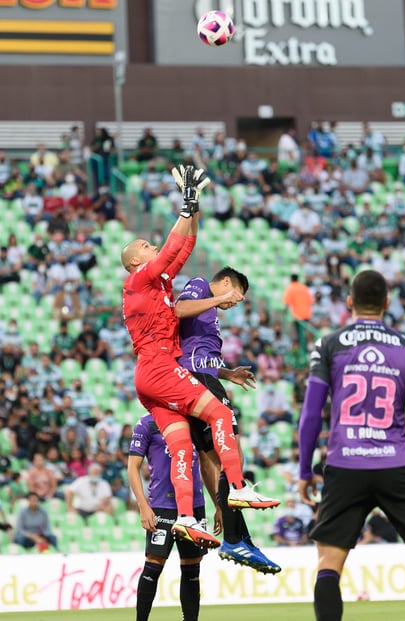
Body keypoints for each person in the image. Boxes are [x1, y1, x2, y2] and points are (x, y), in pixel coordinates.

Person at [122, 165, 279, 549]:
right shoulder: (140, 278)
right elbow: (168, 251)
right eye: (145, 245)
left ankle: (188, 518)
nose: (152, 246)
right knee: (221, 415)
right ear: (134, 262)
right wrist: (185, 205)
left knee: (181, 446)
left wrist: (193, 209)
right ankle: (239, 487)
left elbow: (184, 246)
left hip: (149, 377)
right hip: (160, 366)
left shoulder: (156, 282)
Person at [298, 270, 405, 621]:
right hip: (396, 463)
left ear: (349, 303)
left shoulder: (330, 344)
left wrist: (305, 470)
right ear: (388, 304)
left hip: (345, 464)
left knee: (328, 565)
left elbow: (310, 413)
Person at [176, 266, 281, 573]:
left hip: (201, 377)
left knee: (214, 458)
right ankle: (236, 536)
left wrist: (227, 373)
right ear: (225, 282)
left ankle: (236, 537)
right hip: (197, 380)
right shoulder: (199, 286)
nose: (236, 302)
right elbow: (179, 309)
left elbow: (193, 350)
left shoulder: (210, 313)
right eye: (236, 295)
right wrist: (217, 297)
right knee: (233, 448)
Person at [128, 413, 217, 621]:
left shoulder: (194, 421)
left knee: (192, 566)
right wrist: (143, 505)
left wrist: (218, 504)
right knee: (154, 563)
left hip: (194, 506)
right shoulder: (147, 423)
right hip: (162, 506)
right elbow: (133, 467)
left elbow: (206, 465)